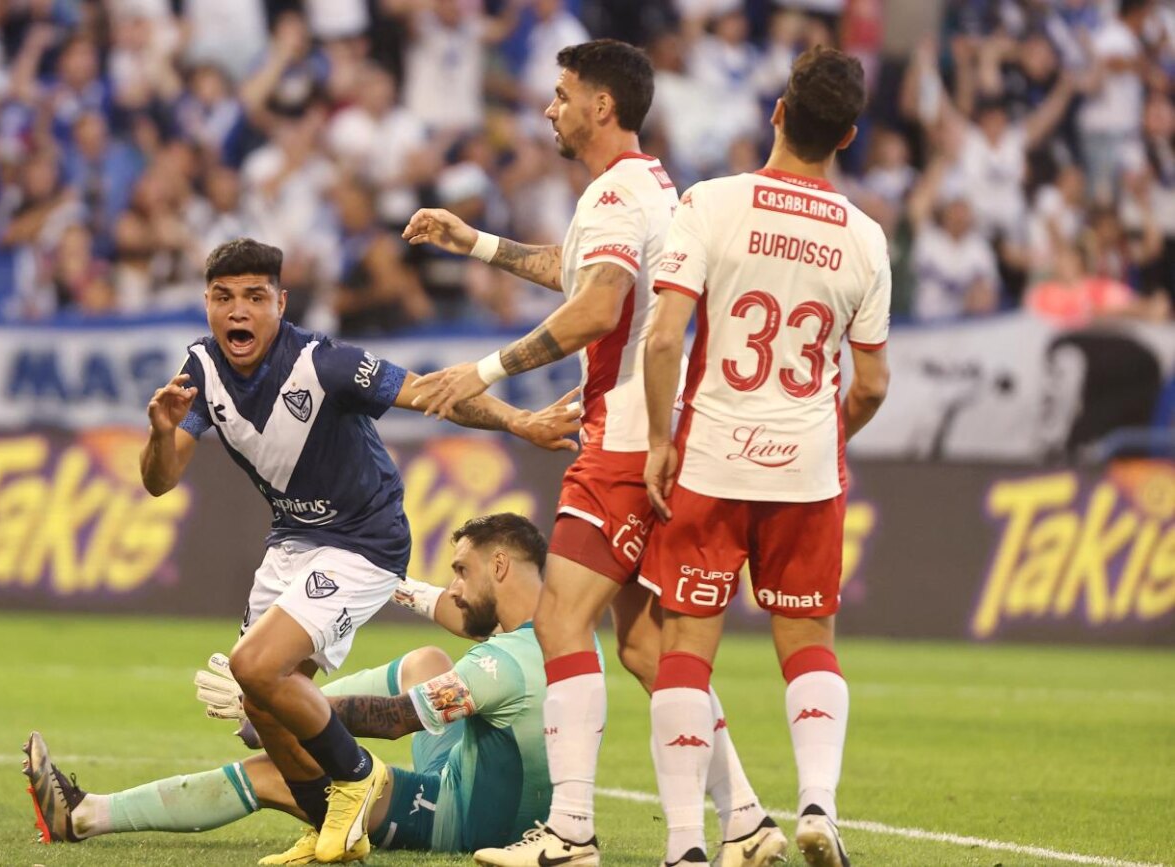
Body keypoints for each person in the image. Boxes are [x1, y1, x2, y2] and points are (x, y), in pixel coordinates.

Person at [402, 40, 781, 867]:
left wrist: (487, 368)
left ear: (601, 106)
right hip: (673, 439)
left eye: (563, 93)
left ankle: (571, 830)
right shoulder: (650, 188)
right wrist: (479, 245)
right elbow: (582, 275)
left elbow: (598, 307)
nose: (551, 107)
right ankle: (746, 819)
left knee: (556, 618)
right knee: (647, 649)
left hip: (619, 439)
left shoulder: (614, 195)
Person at [130, 238, 579, 863]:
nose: (239, 312)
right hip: (292, 539)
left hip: (364, 540)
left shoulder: (324, 363)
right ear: (206, 304)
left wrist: (517, 420)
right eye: (224, 298)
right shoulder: (200, 374)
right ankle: (331, 831)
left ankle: (357, 775)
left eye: (255, 297)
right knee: (260, 716)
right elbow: (159, 479)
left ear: (280, 303)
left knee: (253, 667)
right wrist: (160, 432)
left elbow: (429, 393)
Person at [640, 46, 891, 867]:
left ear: (777, 112)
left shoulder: (712, 203)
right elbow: (872, 384)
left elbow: (667, 334)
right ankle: (817, 803)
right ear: (848, 134)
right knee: (808, 636)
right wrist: (826, 431)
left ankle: (684, 846)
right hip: (807, 467)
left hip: (711, 456)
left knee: (685, 645)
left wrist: (658, 437)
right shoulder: (864, 236)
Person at [22, 514, 571, 861]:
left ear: (499, 565)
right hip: (531, 808)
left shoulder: (500, 664)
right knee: (426, 659)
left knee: (277, 774)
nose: (453, 587)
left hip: (467, 820)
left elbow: (393, 720)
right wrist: (388, 583)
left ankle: (86, 815)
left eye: (461, 572)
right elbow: (462, 620)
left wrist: (281, 704)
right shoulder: (557, 632)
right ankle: (276, 714)